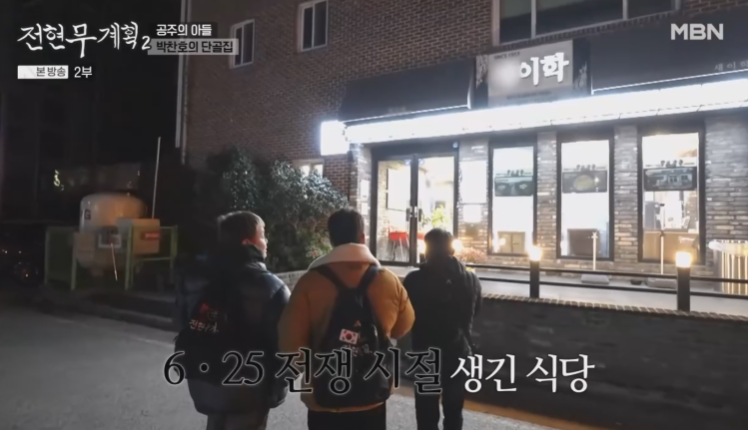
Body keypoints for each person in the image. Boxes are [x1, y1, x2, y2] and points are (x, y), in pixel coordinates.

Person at [279, 208, 415, 430]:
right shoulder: (389, 280)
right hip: (372, 391)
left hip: (323, 394)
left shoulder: (310, 282)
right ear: (363, 237)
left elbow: (290, 344)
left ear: (331, 239)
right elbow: (403, 326)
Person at [176, 211, 290, 430]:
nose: (266, 241)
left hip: (202, 380)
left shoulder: (194, 278)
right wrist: (278, 388)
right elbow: (288, 346)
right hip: (249, 387)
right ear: (247, 242)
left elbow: (183, 324)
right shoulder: (271, 288)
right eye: (262, 235)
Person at [403, 228, 482, 430]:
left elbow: (405, 316)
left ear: (427, 249)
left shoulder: (414, 280)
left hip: (426, 353)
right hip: (459, 351)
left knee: (426, 412)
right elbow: (476, 311)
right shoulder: (471, 279)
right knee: (454, 412)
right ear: (451, 249)